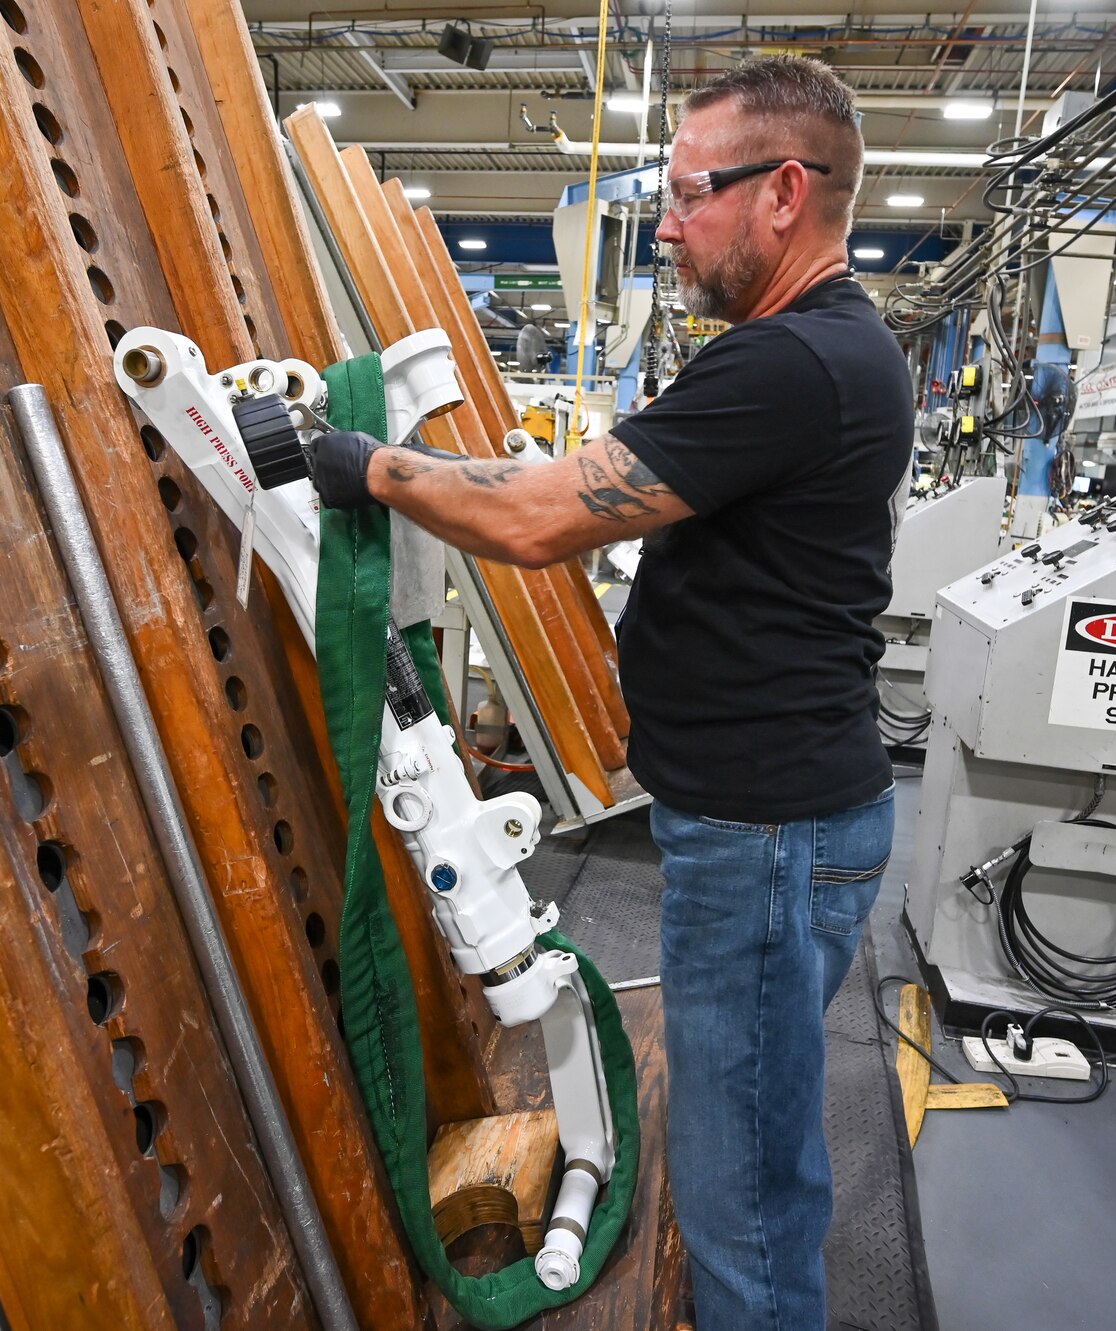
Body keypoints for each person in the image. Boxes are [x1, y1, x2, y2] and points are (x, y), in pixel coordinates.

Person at [312, 55, 914, 1331]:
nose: (668, 223)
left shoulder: (791, 364)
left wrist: (365, 465)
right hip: (784, 823)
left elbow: (538, 520)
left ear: (781, 193)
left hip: (763, 840)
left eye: (691, 191)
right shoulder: (820, 349)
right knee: (756, 1151)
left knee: (738, 1191)